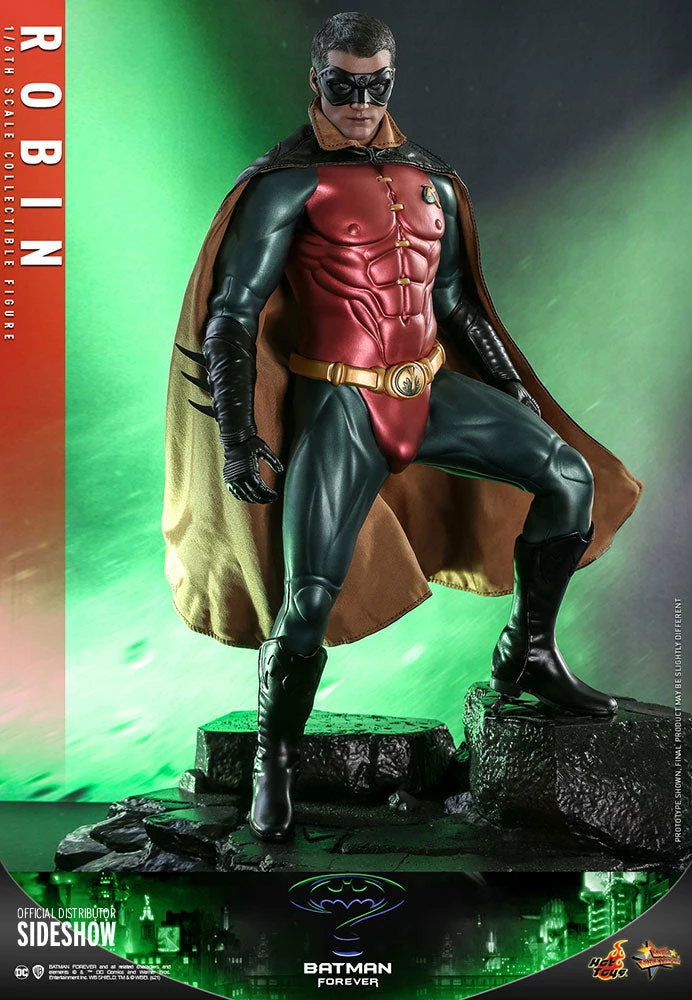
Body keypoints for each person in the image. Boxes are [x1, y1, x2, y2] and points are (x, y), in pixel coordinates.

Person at [164, 12, 642, 842]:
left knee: (568, 477)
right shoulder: (287, 183)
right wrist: (238, 436)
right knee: (306, 603)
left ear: (391, 79)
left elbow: (456, 301)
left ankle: (528, 653)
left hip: (430, 390)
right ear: (317, 81)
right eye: (343, 86)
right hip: (339, 406)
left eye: (375, 85)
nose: (360, 103)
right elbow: (232, 314)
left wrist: (510, 388)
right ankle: (275, 760)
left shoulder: (431, 181)